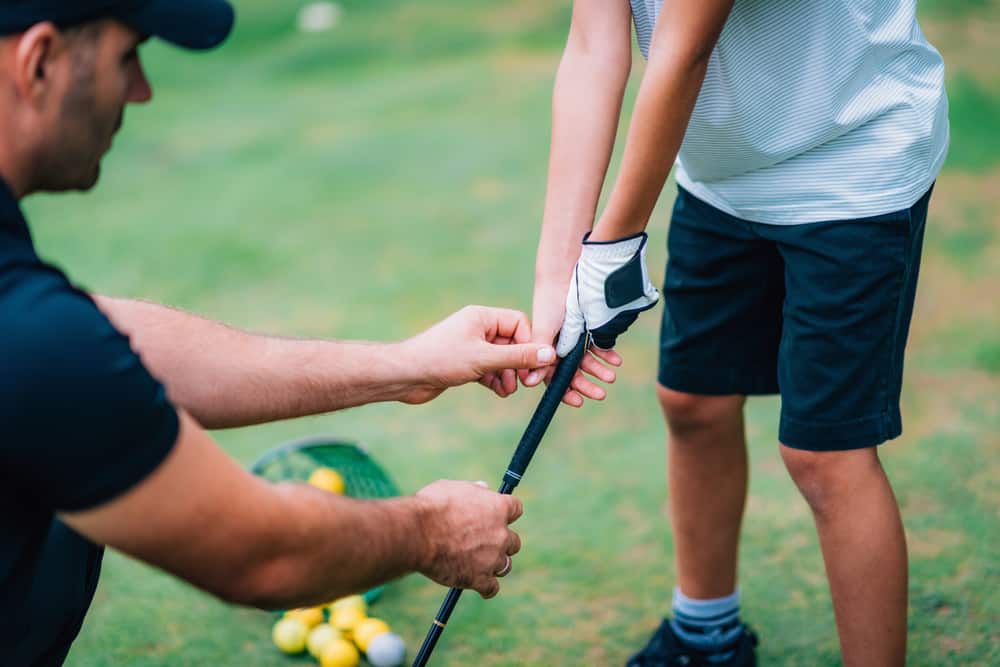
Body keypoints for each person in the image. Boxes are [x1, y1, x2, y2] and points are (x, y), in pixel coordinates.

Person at [0, 2, 559, 665]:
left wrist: (407, 366)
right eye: (129, 55)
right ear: (39, 62)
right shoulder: (35, 337)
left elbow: (107, 339)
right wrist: (433, 531)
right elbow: (262, 553)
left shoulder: (33, 319)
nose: (143, 89)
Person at [527, 1, 947, 666]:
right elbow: (590, 48)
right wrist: (557, 272)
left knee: (826, 454)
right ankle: (705, 634)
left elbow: (683, 49)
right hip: (724, 175)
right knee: (693, 402)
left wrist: (610, 245)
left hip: (852, 159)